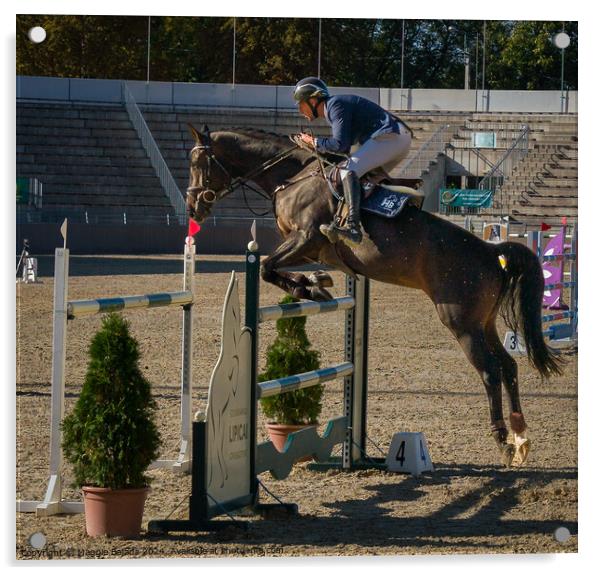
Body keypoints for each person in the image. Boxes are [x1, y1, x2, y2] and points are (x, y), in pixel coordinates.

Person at [293, 76, 412, 246]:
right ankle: (373, 225)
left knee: (347, 171)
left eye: (301, 103)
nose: (299, 109)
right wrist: (317, 145)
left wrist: (314, 142)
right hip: (396, 139)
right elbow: (345, 149)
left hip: (389, 138)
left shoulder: (334, 105)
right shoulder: (334, 107)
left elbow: (340, 145)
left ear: (312, 100)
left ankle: (353, 228)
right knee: (362, 180)